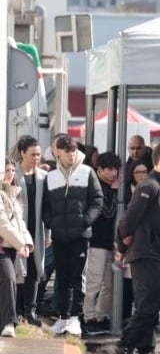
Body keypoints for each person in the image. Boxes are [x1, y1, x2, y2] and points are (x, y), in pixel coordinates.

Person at [109, 142, 160, 354]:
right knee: (146, 307)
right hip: (144, 255)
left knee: (152, 305)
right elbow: (127, 221)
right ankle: (123, 347)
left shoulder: (158, 188)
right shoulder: (149, 187)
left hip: (154, 255)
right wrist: (122, 246)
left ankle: (146, 352)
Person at [42, 136, 104, 337]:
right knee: (62, 277)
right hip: (60, 236)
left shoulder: (87, 172)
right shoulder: (51, 177)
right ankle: (63, 317)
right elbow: (45, 207)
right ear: (57, 152)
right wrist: (52, 223)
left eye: (73, 151)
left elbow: (97, 200)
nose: (71, 155)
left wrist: (86, 220)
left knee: (78, 277)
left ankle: (77, 318)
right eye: (66, 151)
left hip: (80, 235)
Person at [82, 153, 121, 335]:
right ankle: (89, 317)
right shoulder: (97, 187)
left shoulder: (107, 187)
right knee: (94, 282)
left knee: (108, 283)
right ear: (100, 170)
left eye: (116, 169)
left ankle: (101, 315)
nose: (114, 173)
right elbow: (107, 211)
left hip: (108, 242)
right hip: (97, 241)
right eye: (110, 169)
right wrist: (114, 191)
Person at [0, 158, 35, 337]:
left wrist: (26, 243)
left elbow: (19, 222)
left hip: (10, 245)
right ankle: (8, 322)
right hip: (5, 246)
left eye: (13, 170)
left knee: (9, 282)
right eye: (6, 170)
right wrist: (21, 244)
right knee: (8, 280)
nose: (10, 174)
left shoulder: (13, 193)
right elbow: (3, 223)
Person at [14, 137, 47, 326]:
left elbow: (47, 208)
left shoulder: (42, 176)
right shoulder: (13, 174)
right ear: (22, 153)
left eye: (38, 154)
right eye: (33, 154)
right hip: (18, 229)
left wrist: (48, 234)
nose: (36, 158)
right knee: (19, 269)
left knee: (34, 269)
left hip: (36, 229)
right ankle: (17, 310)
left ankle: (30, 310)